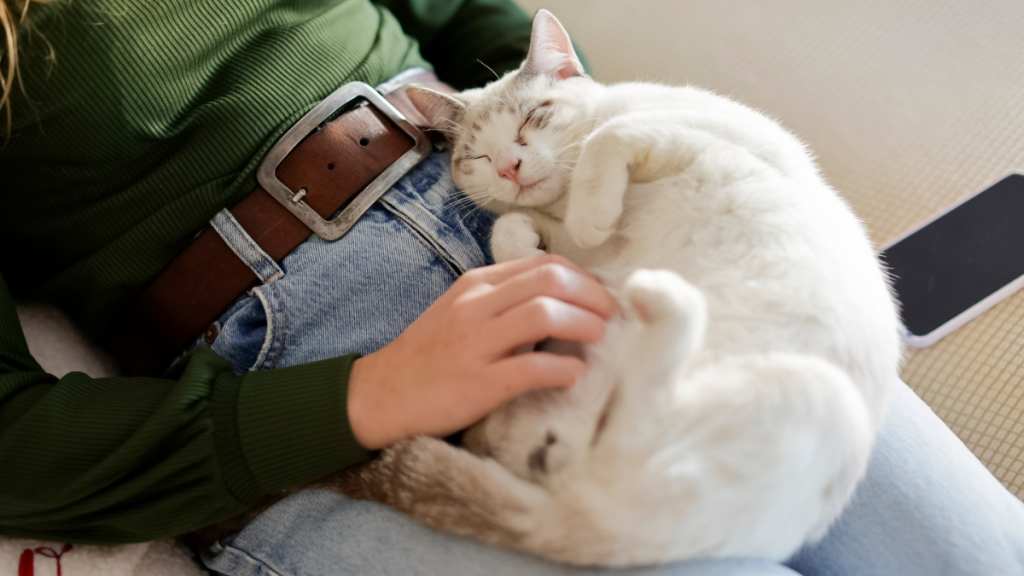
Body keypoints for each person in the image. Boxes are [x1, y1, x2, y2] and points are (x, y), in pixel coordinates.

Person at [0, 1, 1022, 575]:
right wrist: (373, 397)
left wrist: (574, 130)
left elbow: (485, 21)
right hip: (308, 365)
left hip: (581, 214)